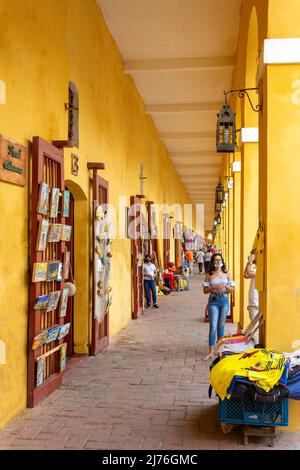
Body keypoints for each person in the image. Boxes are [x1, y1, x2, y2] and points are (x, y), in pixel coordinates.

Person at [202, 253, 235, 360]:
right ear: (212, 262)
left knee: (221, 326)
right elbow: (204, 291)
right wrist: (213, 288)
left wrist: (225, 285)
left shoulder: (227, 273)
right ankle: (211, 351)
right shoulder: (209, 274)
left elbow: (232, 290)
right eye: (215, 260)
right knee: (213, 326)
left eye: (220, 260)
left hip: (224, 300)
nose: (218, 262)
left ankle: (221, 350)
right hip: (213, 300)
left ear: (222, 261)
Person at [244, 249, 259, 343]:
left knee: (255, 332)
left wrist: (249, 261)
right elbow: (246, 274)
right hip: (254, 303)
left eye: (254, 254)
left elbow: (247, 274)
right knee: (254, 331)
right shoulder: (256, 269)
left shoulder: (261, 269)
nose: (252, 255)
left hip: (256, 303)